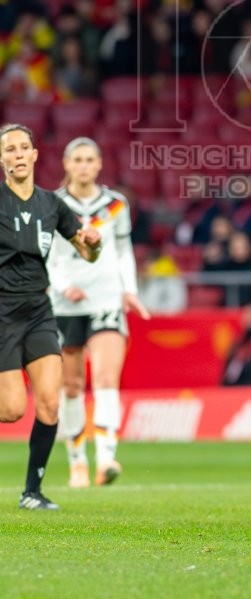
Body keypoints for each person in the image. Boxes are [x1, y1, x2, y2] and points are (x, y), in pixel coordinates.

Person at [0, 124, 101, 509]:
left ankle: (32, 492)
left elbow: (87, 251)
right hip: (2, 311)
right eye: (10, 150)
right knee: (11, 411)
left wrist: (94, 242)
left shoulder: (51, 204)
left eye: (24, 147)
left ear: (36, 154)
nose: (18, 155)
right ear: (2, 160)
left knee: (50, 405)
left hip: (39, 311)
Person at [47, 137, 150, 489]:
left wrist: (129, 291)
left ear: (100, 164)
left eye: (90, 159)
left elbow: (123, 251)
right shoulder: (54, 204)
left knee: (106, 379)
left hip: (105, 301)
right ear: (66, 164)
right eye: (78, 159)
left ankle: (106, 459)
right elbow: (45, 254)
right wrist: (61, 286)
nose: (84, 165)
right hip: (65, 306)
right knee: (72, 386)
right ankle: (77, 463)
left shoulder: (115, 205)